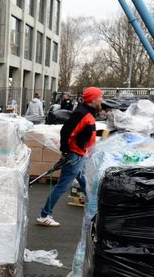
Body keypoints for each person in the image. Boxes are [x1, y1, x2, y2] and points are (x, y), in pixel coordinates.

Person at [36, 86, 104, 227]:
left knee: (85, 180)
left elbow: (86, 132)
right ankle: (44, 215)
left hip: (80, 155)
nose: (102, 100)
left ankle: (94, 209)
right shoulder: (81, 114)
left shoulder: (89, 113)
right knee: (62, 186)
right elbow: (66, 131)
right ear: (93, 99)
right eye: (100, 97)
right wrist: (66, 152)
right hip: (75, 156)